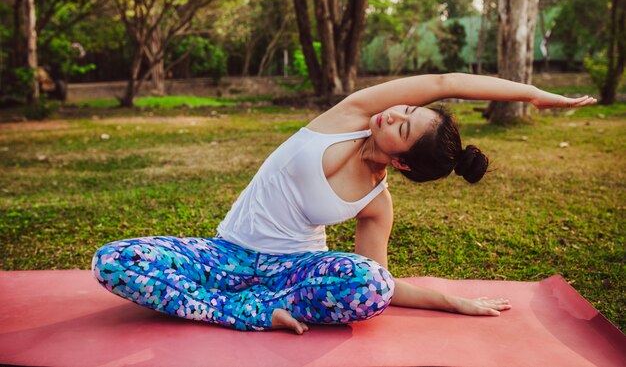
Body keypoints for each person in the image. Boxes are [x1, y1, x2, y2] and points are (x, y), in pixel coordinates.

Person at [92, 73, 597, 334]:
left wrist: (451, 302)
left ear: (402, 164)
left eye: (403, 126)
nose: (393, 114)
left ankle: (252, 308)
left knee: (369, 285)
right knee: (114, 260)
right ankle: (245, 314)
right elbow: (446, 84)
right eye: (405, 110)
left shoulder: (377, 203)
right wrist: (530, 94)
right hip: (225, 256)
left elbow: (383, 283)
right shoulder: (351, 114)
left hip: (292, 274)